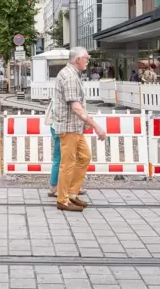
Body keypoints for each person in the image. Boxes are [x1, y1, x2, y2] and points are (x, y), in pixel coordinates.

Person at [51, 46, 106, 212]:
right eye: (86, 59)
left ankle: (72, 193)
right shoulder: (70, 77)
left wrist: (86, 123)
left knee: (84, 157)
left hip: (74, 127)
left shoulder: (72, 75)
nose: (88, 62)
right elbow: (76, 107)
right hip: (69, 127)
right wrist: (95, 126)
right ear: (77, 60)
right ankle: (63, 199)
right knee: (67, 164)